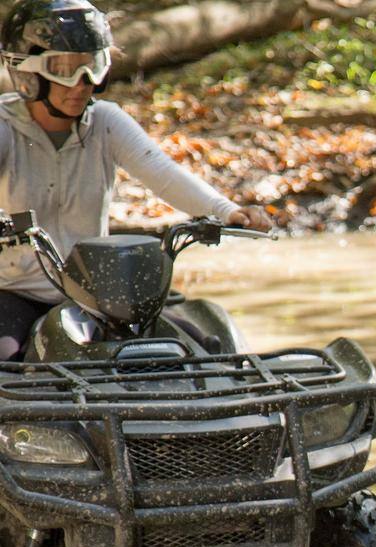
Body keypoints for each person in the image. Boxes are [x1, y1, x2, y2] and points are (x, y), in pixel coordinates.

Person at [0, 0, 271, 360]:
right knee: (6, 361)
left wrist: (227, 211)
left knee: (198, 349)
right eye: (64, 69)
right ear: (27, 71)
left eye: (91, 66)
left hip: (95, 292)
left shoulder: (105, 122)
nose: (82, 83)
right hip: (15, 293)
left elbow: (163, 173)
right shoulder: (5, 127)